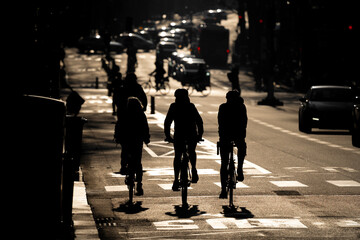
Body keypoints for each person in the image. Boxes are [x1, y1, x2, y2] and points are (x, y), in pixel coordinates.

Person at [164, 89, 204, 191]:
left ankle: (176, 180)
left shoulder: (174, 106)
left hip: (179, 135)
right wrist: (200, 135)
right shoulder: (191, 106)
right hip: (191, 134)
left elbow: (167, 122)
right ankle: (194, 169)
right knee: (191, 151)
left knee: (177, 155)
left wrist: (168, 136)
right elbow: (199, 121)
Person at [114, 97, 150, 196]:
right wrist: (146, 138)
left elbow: (119, 125)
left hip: (126, 138)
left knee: (125, 152)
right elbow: (145, 127)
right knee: (138, 160)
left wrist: (117, 137)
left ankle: (123, 167)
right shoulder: (141, 114)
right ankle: (139, 183)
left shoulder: (124, 114)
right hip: (137, 139)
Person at [218, 90, 247, 199]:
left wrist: (221, 136)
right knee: (242, 147)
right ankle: (240, 168)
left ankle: (223, 190)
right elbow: (244, 122)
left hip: (225, 135)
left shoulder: (223, 107)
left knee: (224, 163)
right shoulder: (241, 107)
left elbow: (220, 122)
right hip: (238, 134)